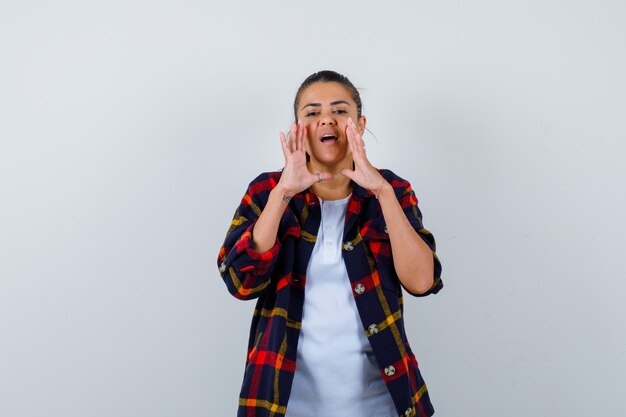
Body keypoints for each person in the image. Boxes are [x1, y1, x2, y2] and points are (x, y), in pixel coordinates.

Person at [217, 70, 443, 417]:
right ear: (298, 128)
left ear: (359, 123)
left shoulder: (392, 190)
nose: (327, 119)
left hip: (382, 404)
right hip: (282, 404)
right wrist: (284, 192)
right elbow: (241, 282)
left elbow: (422, 281)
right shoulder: (267, 192)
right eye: (312, 112)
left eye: (340, 110)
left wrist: (380, 190)